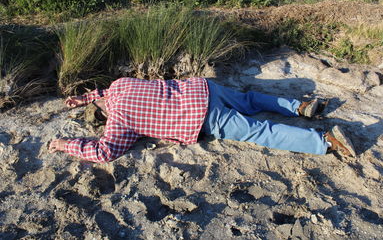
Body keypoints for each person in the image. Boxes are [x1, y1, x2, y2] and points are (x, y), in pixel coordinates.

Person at [49, 77, 356, 163]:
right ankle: (300, 106)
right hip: (203, 87)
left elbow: (104, 153)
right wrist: (86, 96)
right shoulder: (119, 85)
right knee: (250, 100)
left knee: (260, 132)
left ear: (103, 118)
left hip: (201, 116)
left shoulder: (119, 125)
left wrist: (65, 144)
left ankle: (324, 141)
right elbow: (103, 92)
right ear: (99, 101)